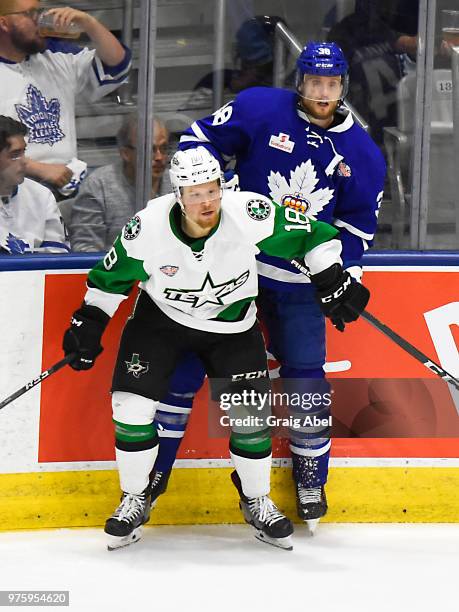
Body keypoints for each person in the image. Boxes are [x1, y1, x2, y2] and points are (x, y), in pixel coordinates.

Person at [61, 147, 370, 550]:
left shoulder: (249, 213)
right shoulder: (147, 228)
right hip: (162, 324)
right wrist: (89, 323)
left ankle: (256, 500)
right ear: (177, 195)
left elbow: (314, 237)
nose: (206, 202)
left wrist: (330, 275)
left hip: (234, 327)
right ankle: (135, 497)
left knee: (251, 418)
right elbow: (109, 282)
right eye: (194, 194)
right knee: (130, 406)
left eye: (212, 191)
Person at [178, 42, 386, 531]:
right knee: (237, 379)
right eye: (313, 82)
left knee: (306, 377)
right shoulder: (259, 107)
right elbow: (199, 137)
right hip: (238, 270)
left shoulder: (362, 153)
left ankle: (311, 477)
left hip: (298, 284)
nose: (321, 92)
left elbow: (356, 229)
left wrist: (344, 278)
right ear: (300, 81)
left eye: (330, 85)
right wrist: (214, 186)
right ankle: (242, 484)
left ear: (343, 88)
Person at [0, 0, 131, 196]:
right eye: (30, 14)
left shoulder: (57, 55)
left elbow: (118, 64)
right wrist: (38, 168)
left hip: (69, 186)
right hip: (12, 189)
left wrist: (88, 23)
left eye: (40, 12)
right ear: (4, 23)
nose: (39, 20)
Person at [69, 115, 170, 252]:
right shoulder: (99, 186)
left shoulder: (178, 183)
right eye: (149, 150)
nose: (159, 157)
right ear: (125, 153)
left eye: (163, 148)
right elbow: (84, 249)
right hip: (116, 271)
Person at [0, 114, 68, 253]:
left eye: (23, 152)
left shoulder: (42, 195)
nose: (25, 161)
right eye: (15, 154)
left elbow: (58, 260)